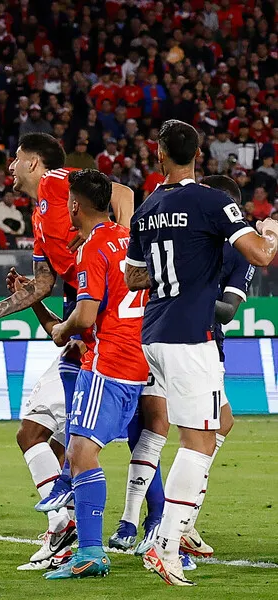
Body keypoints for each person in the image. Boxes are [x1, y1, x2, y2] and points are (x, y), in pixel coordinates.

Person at [0, 133, 135, 570]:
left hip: (106, 320)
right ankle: (73, 523)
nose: (10, 167)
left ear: (34, 163)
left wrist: (121, 251)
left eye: (16, 159)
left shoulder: (57, 181)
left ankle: (111, 528)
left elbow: (123, 193)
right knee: (53, 436)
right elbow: (42, 284)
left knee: (102, 434)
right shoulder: (38, 219)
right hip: (81, 311)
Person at [124, 120, 278, 585]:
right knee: (200, 442)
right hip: (191, 337)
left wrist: (178, 271)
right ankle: (167, 543)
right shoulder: (214, 201)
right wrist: (269, 232)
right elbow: (260, 256)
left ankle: (166, 537)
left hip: (153, 332)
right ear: (200, 154)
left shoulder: (147, 206)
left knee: (201, 433)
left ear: (159, 154)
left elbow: (133, 278)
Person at [18, 170, 148, 579]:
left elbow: (87, 315)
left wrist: (60, 329)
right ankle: (104, 536)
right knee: (85, 447)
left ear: (74, 205)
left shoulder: (91, 248)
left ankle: (90, 552)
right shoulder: (128, 238)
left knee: (80, 453)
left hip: (107, 362)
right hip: (138, 361)